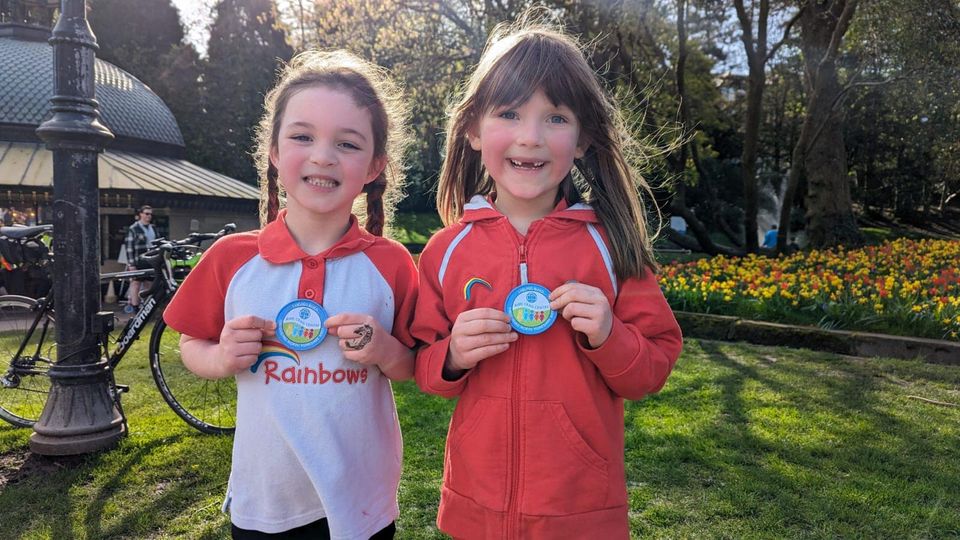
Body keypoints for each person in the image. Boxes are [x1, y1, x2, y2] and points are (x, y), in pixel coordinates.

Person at [412, 21, 684, 539]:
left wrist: (610, 335)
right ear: (472, 130)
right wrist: (451, 356)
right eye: (509, 113)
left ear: (581, 139)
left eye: (555, 117)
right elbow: (423, 367)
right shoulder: (446, 252)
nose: (530, 137)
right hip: (478, 508)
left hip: (580, 511)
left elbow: (652, 368)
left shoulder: (612, 248)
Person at [163, 50, 416, 539]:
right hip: (266, 499)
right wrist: (220, 357)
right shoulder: (231, 258)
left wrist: (384, 349)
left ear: (374, 166)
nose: (323, 155)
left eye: (347, 143)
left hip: (361, 498)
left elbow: (411, 365)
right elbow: (191, 343)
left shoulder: (391, 264)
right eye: (303, 136)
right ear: (275, 152)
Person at [123, 205, 156, 313]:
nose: (149, 216)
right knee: (136, 283)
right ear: (140, 214)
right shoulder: (134, 228)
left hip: (150, 259)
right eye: (146, 213)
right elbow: (129, 247)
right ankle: (135, 306)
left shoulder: (153, 228)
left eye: (150, 214)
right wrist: (131, 264)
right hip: (138, 260)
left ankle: (146, 307)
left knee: (149, 283)